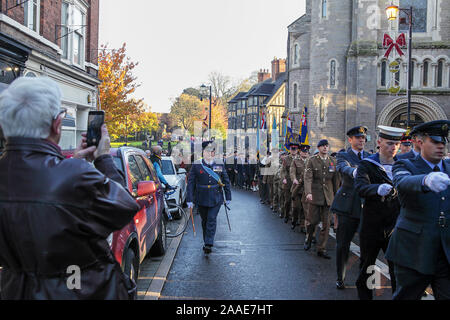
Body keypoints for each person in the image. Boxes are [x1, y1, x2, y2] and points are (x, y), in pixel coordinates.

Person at [0, 77, 140, 299]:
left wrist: (70, 162)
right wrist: (102, 158)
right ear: (56, 124)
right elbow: (123, 207)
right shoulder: (74, 175)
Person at [387, 120, 450, 300]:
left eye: (443, 142)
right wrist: (424, 180)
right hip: (413, 251)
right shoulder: (405, 165)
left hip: (444, 252)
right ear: (420, 142)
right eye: (435, 141)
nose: (441, 146)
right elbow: (402, 182)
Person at [354, 125, 406, 300]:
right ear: (379, 142)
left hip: (395, 226)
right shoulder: (367, 164)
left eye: (396, 144)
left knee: (397, 270)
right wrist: (376, 189)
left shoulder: (402, 165)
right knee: (368, 269)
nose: (393, 148)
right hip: (372, 226)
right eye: (390, 143)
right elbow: (360, 187)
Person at [330, 126, 370, 290]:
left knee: (368, 246)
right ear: (350, 139)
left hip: (367, 205)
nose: (362, 140)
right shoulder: (343, 155)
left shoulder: (370, 156)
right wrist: (356, 172)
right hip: (347, 205)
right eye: (358, 137)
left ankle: (365, 278)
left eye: (363, 138)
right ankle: (341, 276)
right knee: (343, 244)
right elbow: (343, 168)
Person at [186, 141, 232, 254]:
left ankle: (208, 243)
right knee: (205, 220)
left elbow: (225, 180)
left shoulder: (219, 164)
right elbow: (191, 183)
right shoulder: (197, 165)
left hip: (216, 197)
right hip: (201, 197)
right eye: (207, 151)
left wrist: (228, 196)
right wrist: (189, 199)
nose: (210, 153)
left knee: (211, 219)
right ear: (203, 152)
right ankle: (206, 239)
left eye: (212, 151)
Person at [304, 139, 340, 259]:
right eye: (322, 146)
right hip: (315, 196)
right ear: (319, 148)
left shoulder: (332, 161)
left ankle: (321, 248)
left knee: (326, 224)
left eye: (326, 146)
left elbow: (336, 180)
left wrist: (336, 195)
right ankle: (309, 238)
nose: (325, 148)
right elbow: (308, 178)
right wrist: (308, 193)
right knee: (312, 222)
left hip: (328, 197)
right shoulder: (312, 161)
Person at [290, 144, 311, 232]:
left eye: (306, 152)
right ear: (300, 152)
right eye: (303, 151)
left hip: (306, 189)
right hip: (297, 188)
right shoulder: (295, 161)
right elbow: (292, 172)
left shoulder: (311, 160)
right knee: (296, 207)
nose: (305, 153)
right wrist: (294, 179)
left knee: (305, 209)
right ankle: (294, 220)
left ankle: (303, 225)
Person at [281, 143, 298, 222]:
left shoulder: (299, 158)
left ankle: (294, 219)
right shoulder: (286, 159)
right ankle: (286, 215)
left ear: (297, 150)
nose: (293, 151)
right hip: (288, 182)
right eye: (292, 149)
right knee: (287, 201)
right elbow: (283, 170)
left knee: (295, 202)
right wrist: (284, 178)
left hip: (297, 183)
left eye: (295, 149)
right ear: (290, 150)